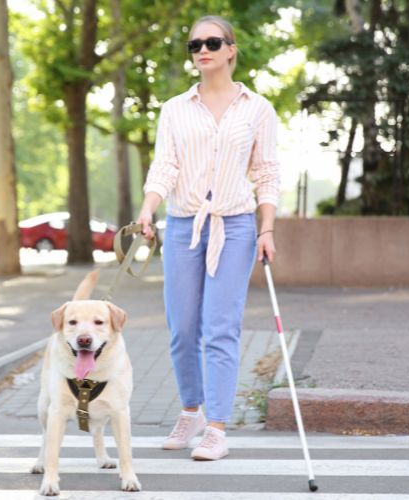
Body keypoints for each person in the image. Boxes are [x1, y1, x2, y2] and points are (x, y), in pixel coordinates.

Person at [136, 15, 281, 460]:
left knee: (220, 328)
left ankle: (217, 426)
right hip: (183, 226)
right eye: (195, 44)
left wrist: (267, 228)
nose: (203, 50)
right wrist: (146, 211)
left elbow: (267, 172)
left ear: (231, 49)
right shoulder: (175, 109)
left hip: (235, 225)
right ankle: (192, 410)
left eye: (212, 42)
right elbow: (166, 167)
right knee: (182, 329)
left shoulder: (258, 109)